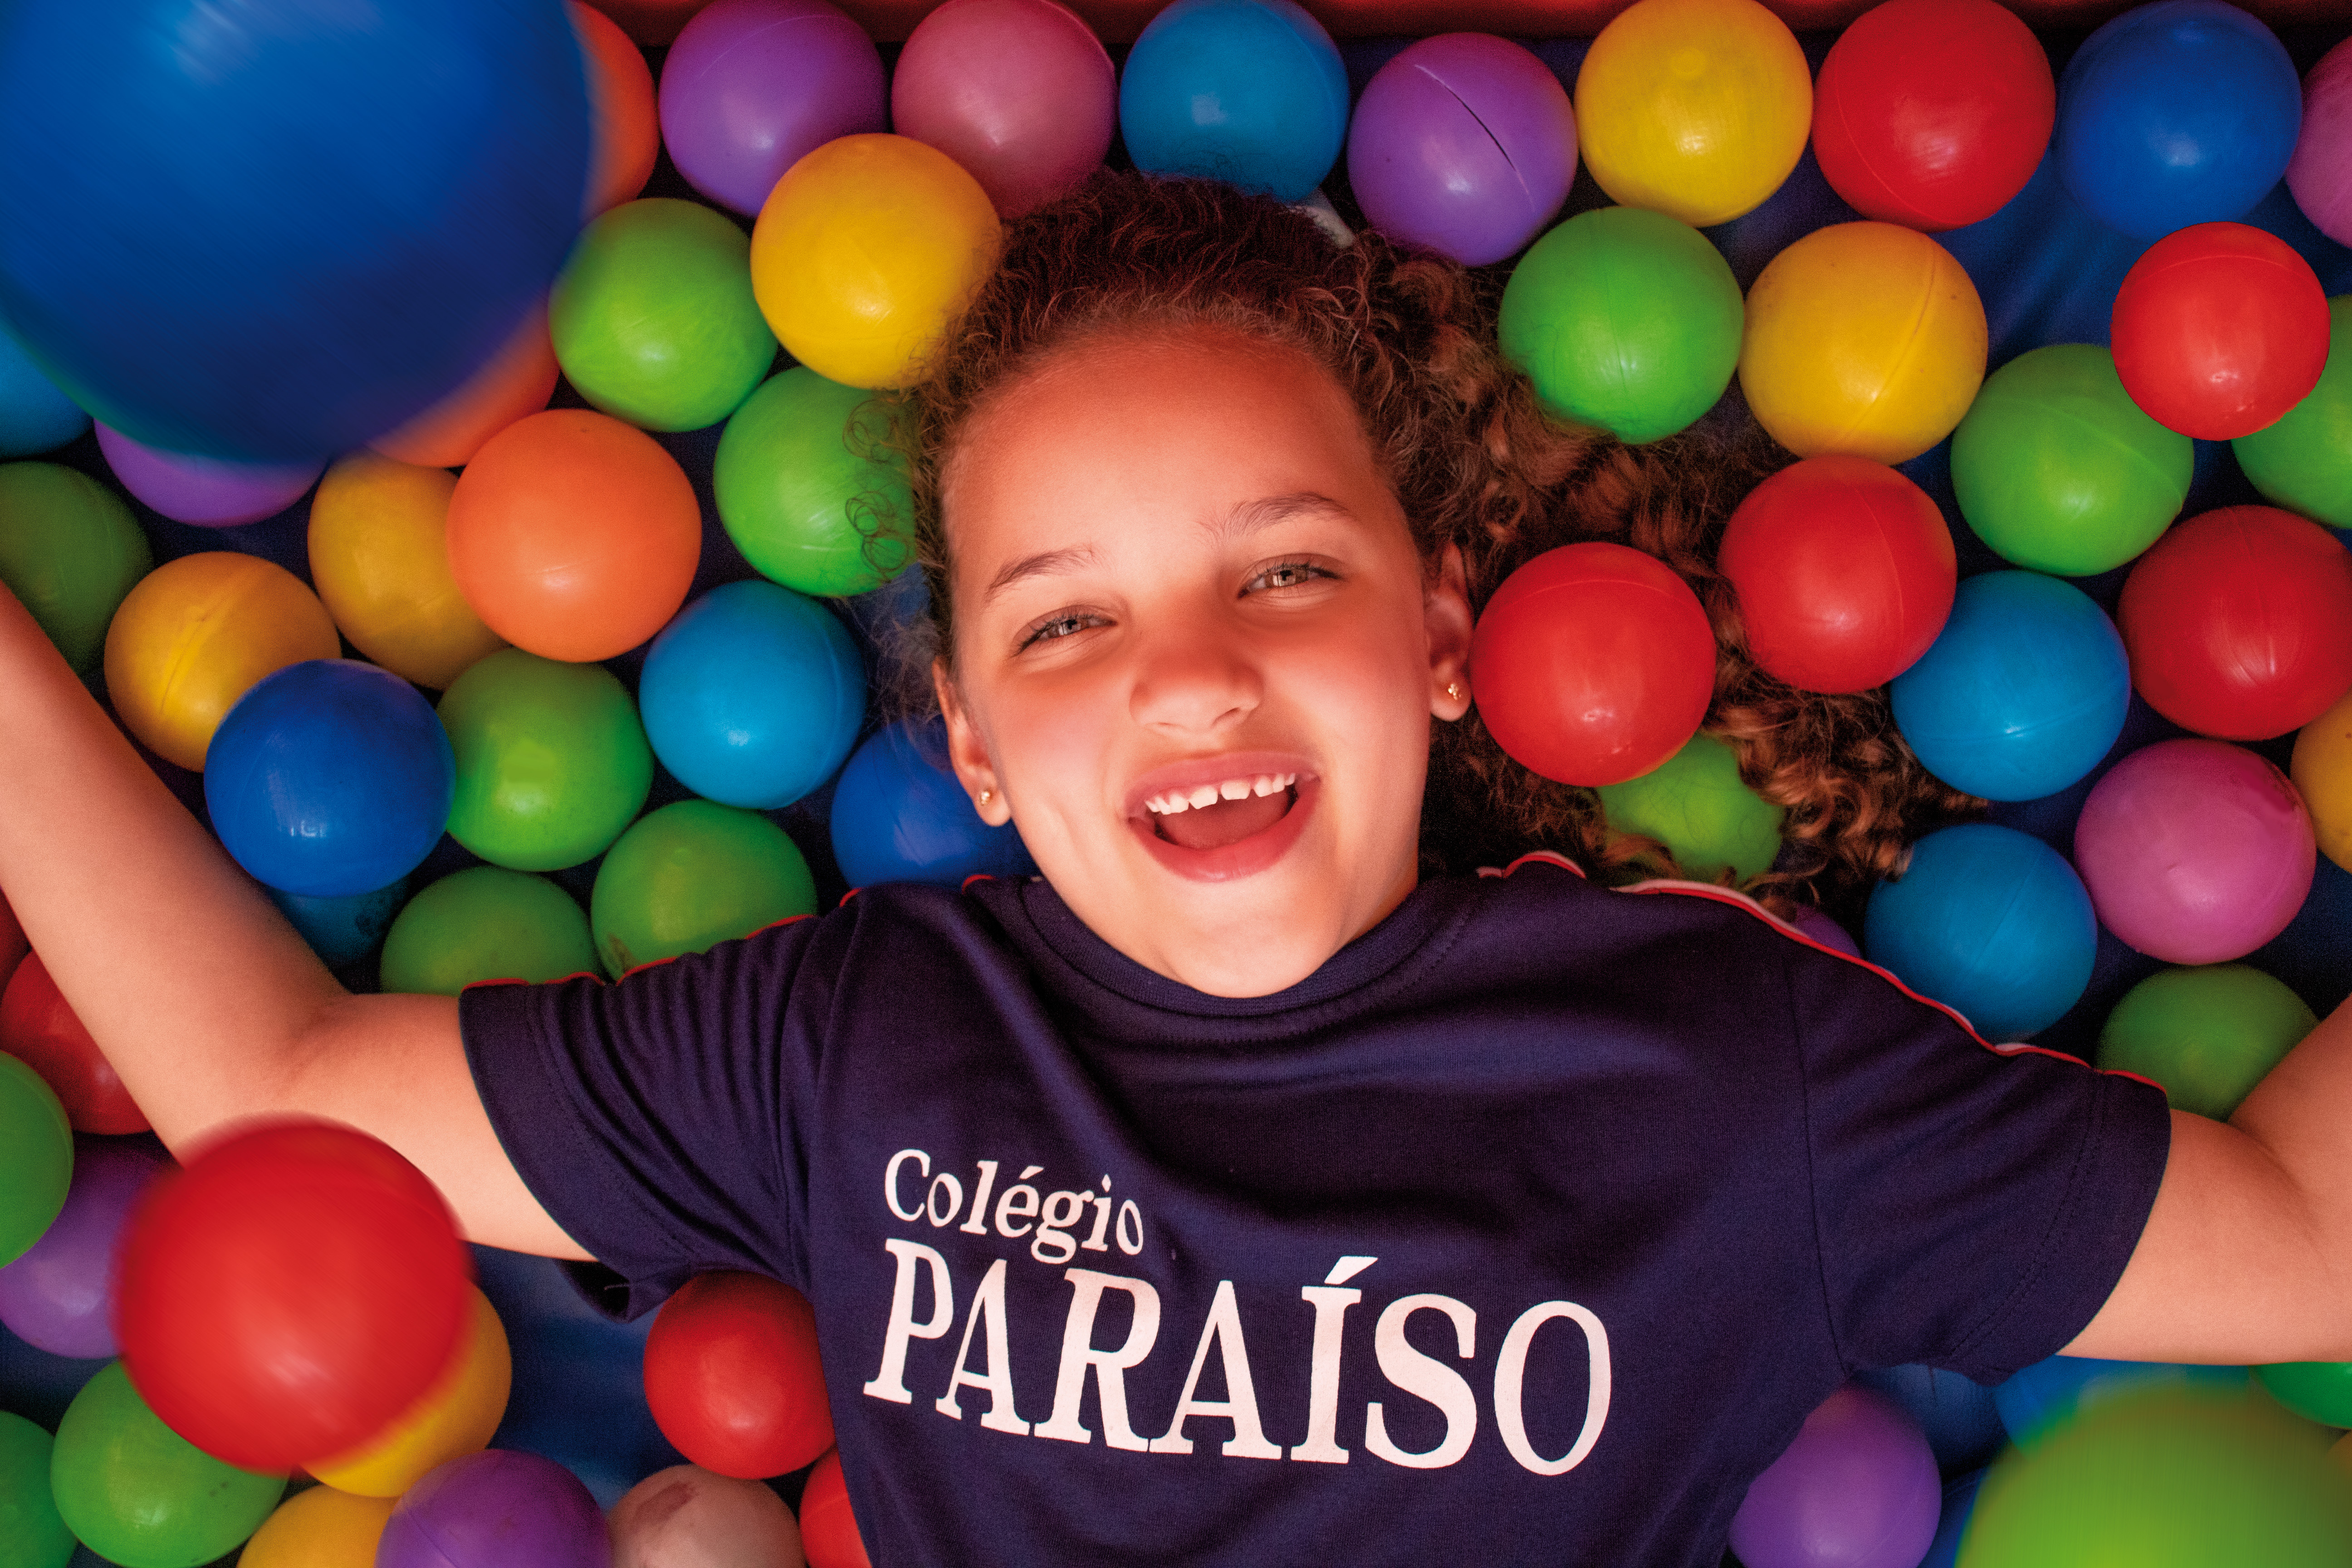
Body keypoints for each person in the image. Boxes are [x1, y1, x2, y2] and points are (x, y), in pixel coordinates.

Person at [2, 172, 2348, 1566]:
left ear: (1441, 636)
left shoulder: (1721, 1073)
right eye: (1066, 621)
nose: (1189, 675)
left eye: (1286, 575)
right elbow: (282, 1094)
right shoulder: (868, 1045)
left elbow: (2311, 1247)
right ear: (980, 753)